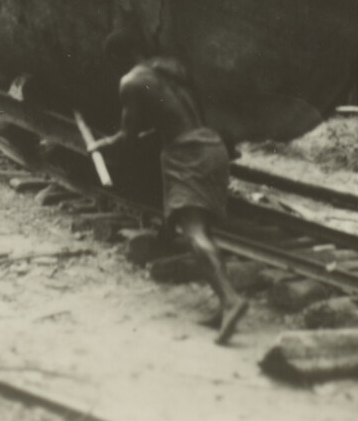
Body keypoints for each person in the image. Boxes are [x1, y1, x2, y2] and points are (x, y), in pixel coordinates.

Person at [93, 46, 249, 345]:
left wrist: (103, 144)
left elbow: (129, 139)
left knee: (193, 233)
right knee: (205, 232)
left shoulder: (130, 82)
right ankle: (223, 305)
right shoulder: (169, 69)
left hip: (188, 153)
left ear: (116, 58)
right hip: (213, 145)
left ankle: (231, 301)